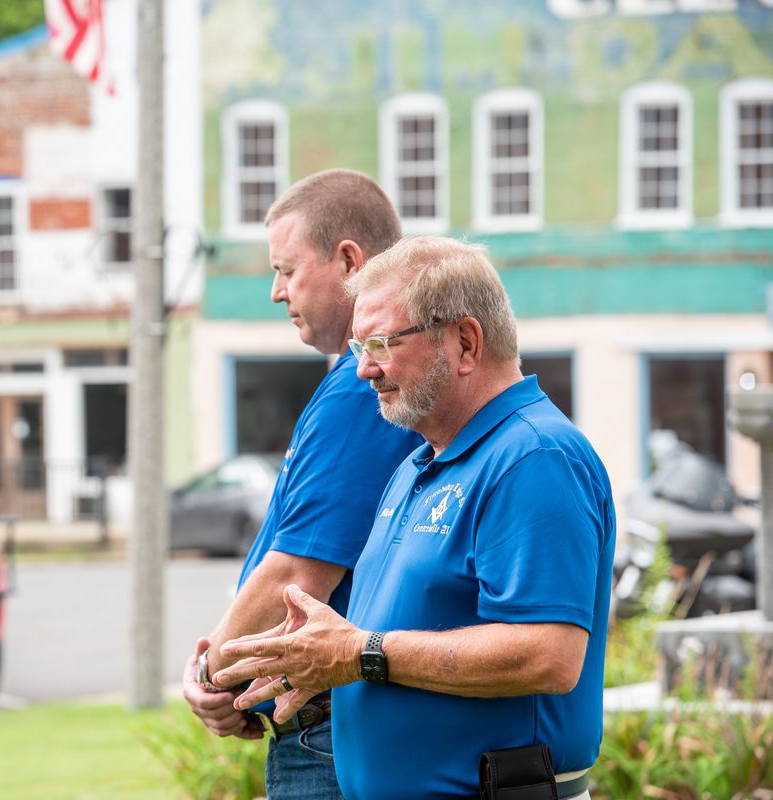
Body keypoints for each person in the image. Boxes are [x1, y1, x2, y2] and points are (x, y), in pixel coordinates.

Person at [214, 236, 616, 800]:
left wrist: (359, 653)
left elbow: (547, 654)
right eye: (357, 347)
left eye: (380, 343)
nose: (363, 370)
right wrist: (309, 660)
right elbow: (402, 634)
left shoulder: (533, 456)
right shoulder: (419, 464)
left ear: (465, 342)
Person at [182, 169, 423, 799]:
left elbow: (299, 571)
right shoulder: (358, 382)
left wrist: (213, 675)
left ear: (349, 261)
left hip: (326, 729)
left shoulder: (357, 390)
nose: (275, 292)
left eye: (287, 271)